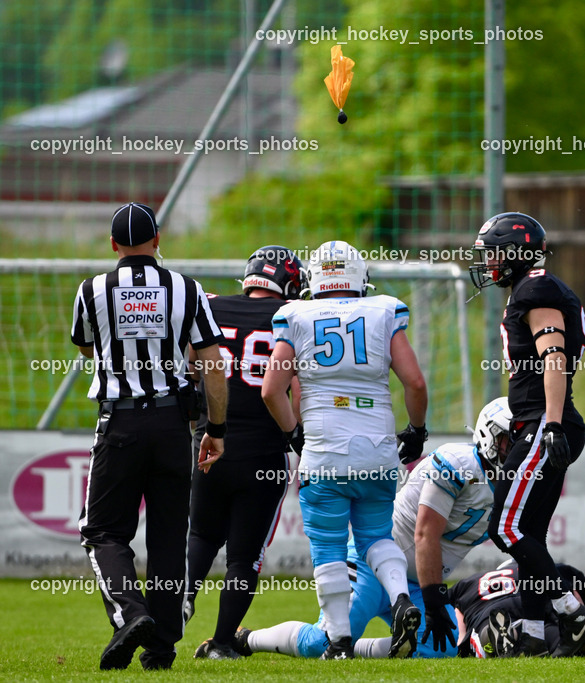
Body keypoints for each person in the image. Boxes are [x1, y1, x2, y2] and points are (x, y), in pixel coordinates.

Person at [71, 202, 228, 670]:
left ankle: (129, 614)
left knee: (101, 530)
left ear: (113, 245)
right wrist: (214, 430)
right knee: (167, 538)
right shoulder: (187, 288)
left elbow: (85, 344)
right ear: (158, 241)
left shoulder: (92, 289)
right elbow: (213, 365)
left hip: (119, 422)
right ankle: (160, 647)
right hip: (171, 424)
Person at [236, 397, 514, 659]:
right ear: (489, 435)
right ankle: (246, 639)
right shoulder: (458, 463)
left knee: (446, 646)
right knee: (323, 641)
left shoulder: (513, 487)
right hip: (373, 563)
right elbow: (425, 534)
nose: (514, 451)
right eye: (508, 441)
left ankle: (357, 651)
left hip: (416, 583)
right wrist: (435, 599)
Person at [261, 240, 428, 660]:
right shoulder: (383, 310)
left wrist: (294, 434)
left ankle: (337, 641)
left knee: (330, 550)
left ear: (315, 279)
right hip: (377, 449)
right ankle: (399, 597)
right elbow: (415, 383)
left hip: (325, 451)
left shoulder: (295, 315)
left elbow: (271, 390)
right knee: (376, 536)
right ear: (360, 278)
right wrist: (418, 430)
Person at [469, 211, 585, 657]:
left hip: (544, 423)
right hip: (546, 421)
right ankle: (530, 632)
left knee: (504, 528)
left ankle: (573, 615)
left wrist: (548, 423)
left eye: (495, 253)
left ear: (516, 252)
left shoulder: (536, 288)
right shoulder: (531, 288)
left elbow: (554, 358)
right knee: (530, 534)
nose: (489, 263)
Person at [186, 246, 307, 659]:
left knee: (200, 535)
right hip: (263, 454)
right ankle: (221, 643)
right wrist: (299, 437)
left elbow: (189, 367)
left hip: (210, 444)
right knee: (244, 555)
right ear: (290, 285)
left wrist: (198, 419)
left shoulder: (211, 306)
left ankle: (177, 605)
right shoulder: (293, 317)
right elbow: (295, 390)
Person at [449, 562, 585, 658]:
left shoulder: (468, 582)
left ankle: (500, 634)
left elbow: (454, 611)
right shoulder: (542, 568)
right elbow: (572, 591)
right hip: (536, 607)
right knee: (558, 641)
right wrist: (581, 614)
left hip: (492, 609)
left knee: (483, 634)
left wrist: (461, 641)